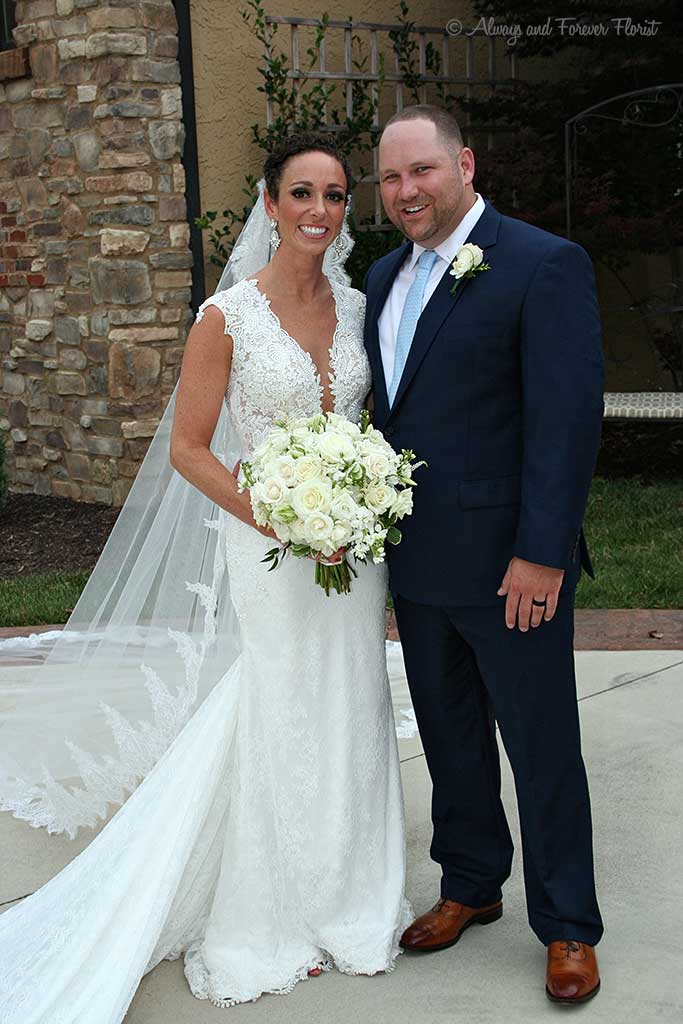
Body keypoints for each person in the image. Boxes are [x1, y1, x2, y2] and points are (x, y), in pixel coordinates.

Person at [0, 132, 411, 1020]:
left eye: (335, 195)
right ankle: (266, 910)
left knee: (349, 704)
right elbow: (189, 450)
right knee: (277, 706)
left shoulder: (357, 304)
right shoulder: (227, 316)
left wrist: (353, 508)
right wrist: (287, 520)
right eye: (300, 193)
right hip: (268, 546)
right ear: (268, 204)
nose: (318, 211)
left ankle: (347, 898)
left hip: (350, 552)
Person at [363, 105, 605, 1005]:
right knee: (450, 740)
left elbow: (564, 423)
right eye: (388, 178)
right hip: (417, 566)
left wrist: (541, 554)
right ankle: (470, 884)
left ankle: (569, 925)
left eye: (419, 170)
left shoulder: (542, 264)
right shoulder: (382, 276)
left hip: (512, 567)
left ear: (462, 163)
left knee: (542, 748)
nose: (405, 192)